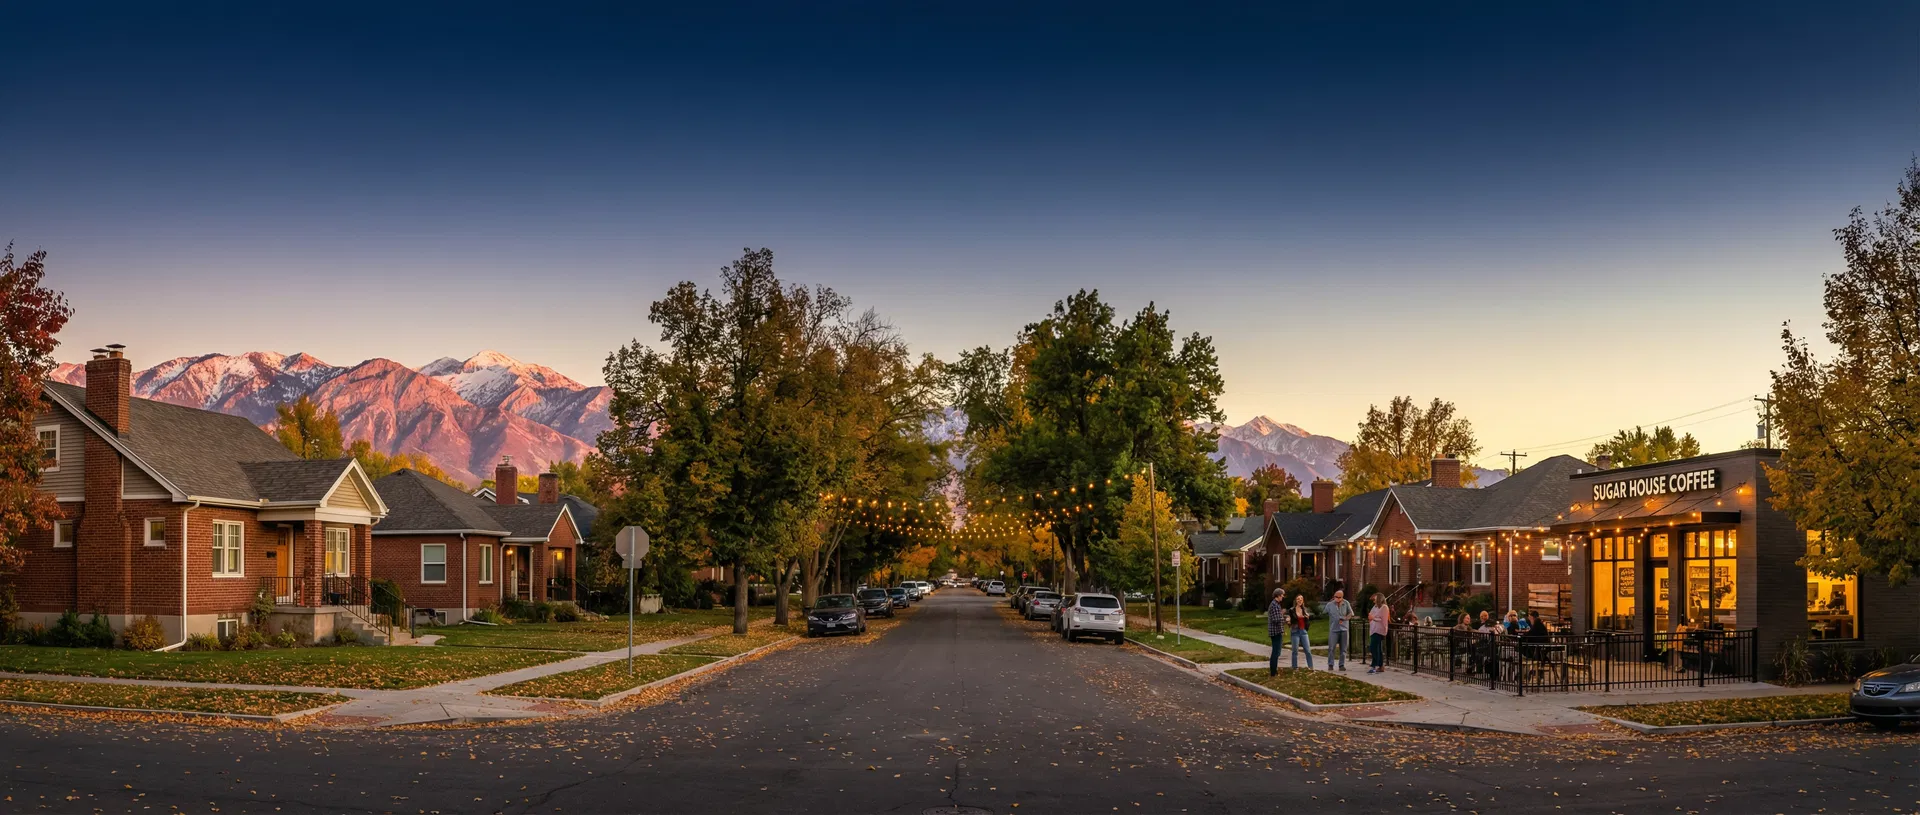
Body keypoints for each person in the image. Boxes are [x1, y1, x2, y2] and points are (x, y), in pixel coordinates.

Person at [1323, 590, 1354, 671]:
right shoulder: (1330, 604)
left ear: (1342, 598)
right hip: (1334, 629)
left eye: (1339, 597)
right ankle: (1330, 664)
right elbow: (1324, 612)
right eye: (1335, 597)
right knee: (1331, 647)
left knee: (1343, 648)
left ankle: (1341, 665)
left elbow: (1351, 613)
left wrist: (1345, 618)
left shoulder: (1346, 603)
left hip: (1344, 629)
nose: (1337, 598)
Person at [1266, 588, 1289, 677]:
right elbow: (1276, 619)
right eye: (1282, 595)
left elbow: (1276, 616)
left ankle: (1274, 670)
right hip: (1275, 632)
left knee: (1277, 651)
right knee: (1276, 652)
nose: (1283, 597)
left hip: (1277, 631)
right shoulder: (1275, 605)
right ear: (1278, 595)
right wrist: (1285, 619)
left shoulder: (1276, 605)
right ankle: (1273, 672)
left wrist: (1281, 614)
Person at [1290, 594, 1315, 670]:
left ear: (1303, 600)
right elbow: (1293, 620)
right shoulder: (1292, 610)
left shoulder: (1305, 609)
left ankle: (1310, 667)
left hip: (1303, 631)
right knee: (1295, 651)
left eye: (1301, 599)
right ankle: (1295, 667)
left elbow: (1308, 622)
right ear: (1296, 601)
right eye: (1298, 599)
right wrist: (1303, 617)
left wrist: (1307, 618)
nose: (1300, 600)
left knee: (1307, 650)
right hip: (1295, 631)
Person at [1367, 593, 1391, 673]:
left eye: (1375, 599)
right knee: (1377, 648)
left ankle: (1374, 665)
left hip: (1379, 630)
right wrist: (1373, 618)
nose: (1374, 601)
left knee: (1373, 648)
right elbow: (1371, 614)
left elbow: (1381, 619)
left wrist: (1373, 617)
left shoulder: (1384, 607)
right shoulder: (1375, 607)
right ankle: (1380, 665)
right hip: (1374, 629)